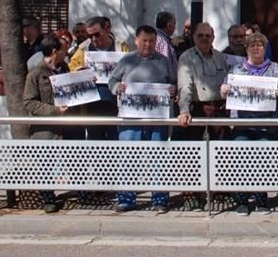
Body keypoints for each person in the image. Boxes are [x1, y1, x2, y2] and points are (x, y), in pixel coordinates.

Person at [219, 32, 278, 215]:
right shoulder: (236, 70)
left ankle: (261, 200)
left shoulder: (275, 68)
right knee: (241, 161)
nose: (256, 48)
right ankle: (242, 200)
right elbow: (223, 91)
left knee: (262, 162)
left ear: (265, 48)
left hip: (266, 123)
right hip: (242, 123)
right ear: (246, 48)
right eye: (252, 45)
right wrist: (224, 90)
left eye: (260, 45)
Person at [109, 25, 178, 213]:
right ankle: (126, 199)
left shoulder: (164, 61)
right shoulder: (126, 60)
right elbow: (112, 81)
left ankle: (160, 199)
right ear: (136, 40)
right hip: (131, 119)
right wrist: (117, 88)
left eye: (152, 41)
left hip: (157, 119)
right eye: (145, 41)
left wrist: (172, 90)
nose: (148, 44)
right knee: (128, 158)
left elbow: (173, 83)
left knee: (159, 159)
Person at [21, 33, 71, 213]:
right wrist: (55, 111)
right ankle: (48, 198)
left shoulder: (65, 68)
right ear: (54, 51)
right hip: (45, 128)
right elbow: (29, 102)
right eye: (64, 48)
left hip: (67, 126)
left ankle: (81, 193)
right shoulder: (36, 74)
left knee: (72, 160)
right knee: (45, 163)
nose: (66, 52)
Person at [69, 16, 128, 141]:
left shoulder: (121, 47)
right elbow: (71, 70)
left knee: (116, 144)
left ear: (106, 29)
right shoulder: (83, 49)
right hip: (92, 107)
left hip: (116, 106)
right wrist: (80, 72)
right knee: (93, 146)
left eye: (97, 34)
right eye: (89, 36)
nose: (93, 39)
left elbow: (131, 70)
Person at [176, 22, 229, 141]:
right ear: (194, 37)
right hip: (198, 110)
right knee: (194, 153)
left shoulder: (220, 57)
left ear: (213, 38)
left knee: (221, 152)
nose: (204, 38)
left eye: (208, 35)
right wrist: (184, 110)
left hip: (219, 111)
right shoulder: (186, 57)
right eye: (200, 35)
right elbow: (185, 86)